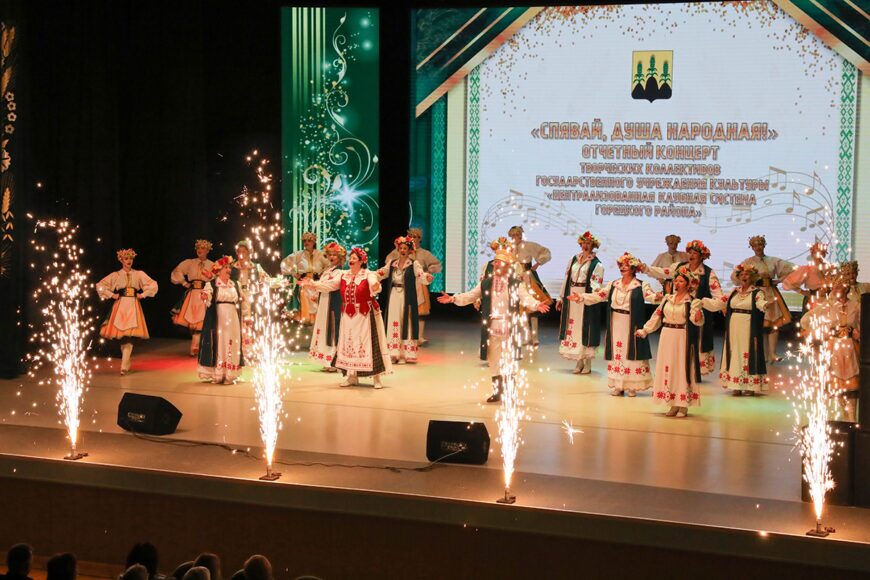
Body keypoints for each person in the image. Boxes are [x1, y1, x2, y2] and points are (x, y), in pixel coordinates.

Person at [438, 238, 550, 402]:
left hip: (508, 325)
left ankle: (510, 392)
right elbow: (471, 295)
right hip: (491, 325)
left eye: (499, 263)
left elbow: (525, 298)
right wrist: (453, 298)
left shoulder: (515, 284)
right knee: (494, 359)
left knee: (508, 359)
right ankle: (498, 392)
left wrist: (536, 305)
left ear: (507, 266)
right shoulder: (486, 283)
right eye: (495, 262)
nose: (496, 265)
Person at [300, 247, 392, 388]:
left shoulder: (368, 274)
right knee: (349, 344)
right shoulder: (343, 275)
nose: (351, 260)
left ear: (361, 261)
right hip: (348, 317)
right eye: (351, 257)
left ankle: (376, 378)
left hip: (365, 315)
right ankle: (351, 377)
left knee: (370, 345)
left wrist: (375, 287)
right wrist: (313, 284)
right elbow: (329, 285)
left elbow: (375, 284)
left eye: (355, 258)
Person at [573, 252, 658, 397]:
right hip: (616, 322)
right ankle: (619, 385)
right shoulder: (614, 284)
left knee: (631, 352)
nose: (622, 268)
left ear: (633, 269)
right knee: (618, 352)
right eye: (621, 265)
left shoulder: (641, 285)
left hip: (631, 323)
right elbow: (599, 296)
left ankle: (632, 385)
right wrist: (581, 297)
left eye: (626, 266)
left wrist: (659, 296)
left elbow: (651, 296)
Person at [645, 239, 725, 375]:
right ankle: (678, 369)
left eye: (695, 253)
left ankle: (693, 371)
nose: (691, 256)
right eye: (690, 253)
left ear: (702, 256)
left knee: (697, 341)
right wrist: (645, 268)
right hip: (678, 311)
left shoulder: (708, 273)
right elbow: (663, 272)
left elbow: (718, 296)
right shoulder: (679, 267)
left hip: (696, 313)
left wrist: (705, 303)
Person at [636, 267, 704, 417]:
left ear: (688, 284)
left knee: (681, 368)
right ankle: (672, 402)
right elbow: (657, 316)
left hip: (682, 337)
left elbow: (696, 320)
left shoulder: (692, 301)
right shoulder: (667, 299)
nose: (677, 283)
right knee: (669, 367)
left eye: (681, 281)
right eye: (676, 280)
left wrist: (698, 315)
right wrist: (645, 330)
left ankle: (683, 404)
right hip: (667, 335)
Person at [803, 275, 861, 421]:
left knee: (852, 383)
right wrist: (820, 333)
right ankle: (846, 415)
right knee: (837, 383)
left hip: (851, 348)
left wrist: (857, 332)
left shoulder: (856, 306)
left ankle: (852, 418)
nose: (835, 289)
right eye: (834, 286)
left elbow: (863, 323)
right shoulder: (828, 306)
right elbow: (806, 319)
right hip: (834, 347)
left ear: (846, 288)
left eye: (839, 286)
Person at [731, 235, 795, 363]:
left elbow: (791, 268)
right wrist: (748, 282)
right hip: (756, 293)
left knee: (773, 324)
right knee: (759, 324)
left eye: (760, 244)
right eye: (755, 245)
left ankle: (772, 353)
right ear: (752, 247)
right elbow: (735, 276)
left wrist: (779, 280)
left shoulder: (773, 260)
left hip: (771, 293)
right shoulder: (748, 262)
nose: (758, 247)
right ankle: (761, 355)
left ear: (764, 245)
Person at [96, 248, 159, 375]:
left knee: (129, 335)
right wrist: (111, 295)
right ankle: (126, 361)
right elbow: (100, 285)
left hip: (133, 305)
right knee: (123, 335)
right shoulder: (116, 275)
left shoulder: (138, 274)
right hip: (121, 306)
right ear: (121, 260)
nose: (129, 261)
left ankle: (124, 365)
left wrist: (143, 294)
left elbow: (153, 284)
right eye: (126, 258)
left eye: (130, 258)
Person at [378, 236, 433, 364]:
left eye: (405, 248)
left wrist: (427, 277)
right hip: (394, 295)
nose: (402, 250)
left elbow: (421, 275)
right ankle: (394, 353)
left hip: (406, 296)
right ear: (398, 249)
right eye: (401, 248)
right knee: (394, 321)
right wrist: (370, 276)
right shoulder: (392, 263)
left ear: (409, 250)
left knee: (406, 321)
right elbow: (382, 272)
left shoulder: (413, 264)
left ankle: (405, 353)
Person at [556, 231, 605, 374]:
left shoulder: (596, 264)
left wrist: (592, 297)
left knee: (585, 328)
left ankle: (587, 362)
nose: (585, 245)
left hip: (585, 296)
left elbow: (596, 285)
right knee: (575, 327)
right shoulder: (574, 259)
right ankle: (579, 361)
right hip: (572, 296)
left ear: (593, 245)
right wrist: (560, 298)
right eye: (583, 243)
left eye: (588, 243)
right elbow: (566, 278)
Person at [720, 264, 771, 396]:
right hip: (734, 325)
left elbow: (760, 303)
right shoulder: (734, 291)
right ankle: (735, 384)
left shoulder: (757, 292)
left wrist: (765, 304)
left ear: (752, 277)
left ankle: (749, 385)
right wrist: (704, 303)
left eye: (747, 274)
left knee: (746, 351)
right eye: (741, 274)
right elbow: (722, 301)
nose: (744, 276)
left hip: (748, 325)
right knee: (734, 351)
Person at [385, 227, 442, 345]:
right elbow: (388, 261)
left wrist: (429, 271)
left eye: (415, 236)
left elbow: (436, 264)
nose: (412, 238)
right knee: (402, 310)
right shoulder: (400, 250)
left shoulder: (424, 253)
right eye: (410, 236)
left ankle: (419, 337)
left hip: (418, 284)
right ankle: (400, 336)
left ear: (420, 239)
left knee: (420, 311)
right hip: (403, 284)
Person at [197, 257, 245, 384]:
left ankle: (229, 374)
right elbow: (207, 298)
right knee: (220, 342)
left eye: (229, 267)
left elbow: (242, 299)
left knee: (231, 342)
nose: (229, 270)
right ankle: (218, 373)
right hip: (219, 317)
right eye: (225, 268)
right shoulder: (212, 284)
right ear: (218, 271)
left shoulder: (235, 284)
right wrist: (205, 296)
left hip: (233, 317)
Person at [508, 225, 552, 346]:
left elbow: (546, 252)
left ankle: (535, 337)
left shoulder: (528, 245)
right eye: (514, 235)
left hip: (527, 277)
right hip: (515, 278)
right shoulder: (509, 247)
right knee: (520, 309)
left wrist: (538, 263)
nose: (516, 237)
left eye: (518, 234)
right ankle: (526, 337)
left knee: (533, 309)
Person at [170, 240, 215, 356]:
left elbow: (216, 279)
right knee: (193, 320)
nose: (199, 250)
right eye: (198, 248)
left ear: (207, 251)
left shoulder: (212, 265)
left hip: (204, 294)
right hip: (193, 295)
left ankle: (197, 347)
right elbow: (177, 271)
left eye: (203, 248)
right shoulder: (190, 263)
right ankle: (196, 347)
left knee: (201, 321)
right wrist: (184, 282)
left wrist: (210, 286)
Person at [308, 242, 346, 371]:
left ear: (340, 257)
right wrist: (316, 294)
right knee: (324, 330)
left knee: (333, 330)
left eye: (334, 255)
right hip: (324, 305)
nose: (331, 257)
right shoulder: (327, 271)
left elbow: (331, 285)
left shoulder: (340, 272)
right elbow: (323, 285)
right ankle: (326, 360)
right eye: (330, 254)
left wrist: (314, 284)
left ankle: (334, 361)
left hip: (333, 305)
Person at [281, 232, 330, 325]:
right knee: (304, 298)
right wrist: (295, 274)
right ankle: (305, 319)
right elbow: (285, 263)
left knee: (316, 300)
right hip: (304, 283)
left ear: (314, 242)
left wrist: (323, 275)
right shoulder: (298, 254)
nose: (306, 243)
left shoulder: (320, 254)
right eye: (304, 241)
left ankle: (316, 322)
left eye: (309, 241)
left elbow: (329, 265)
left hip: (316, 283)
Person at [231, 240, 269, 358]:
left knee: (251, 321)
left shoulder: (256, 267)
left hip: (252, 295)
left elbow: (266, 279)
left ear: (249, 253)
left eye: (244, 252)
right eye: (239, 252)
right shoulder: (232, 267)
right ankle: (238, 349)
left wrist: (278, 282)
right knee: (238, 321)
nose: (241, 254)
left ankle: (252, 349)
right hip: (237, 296)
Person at [782, 242, 831, 313]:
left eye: (823, 253)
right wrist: (803, 292)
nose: (821, 255)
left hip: (828, 301)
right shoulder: (807, 269)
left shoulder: (830, 268)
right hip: (813, 301)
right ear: (812, 254)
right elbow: (788, 283)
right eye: (818, 253)